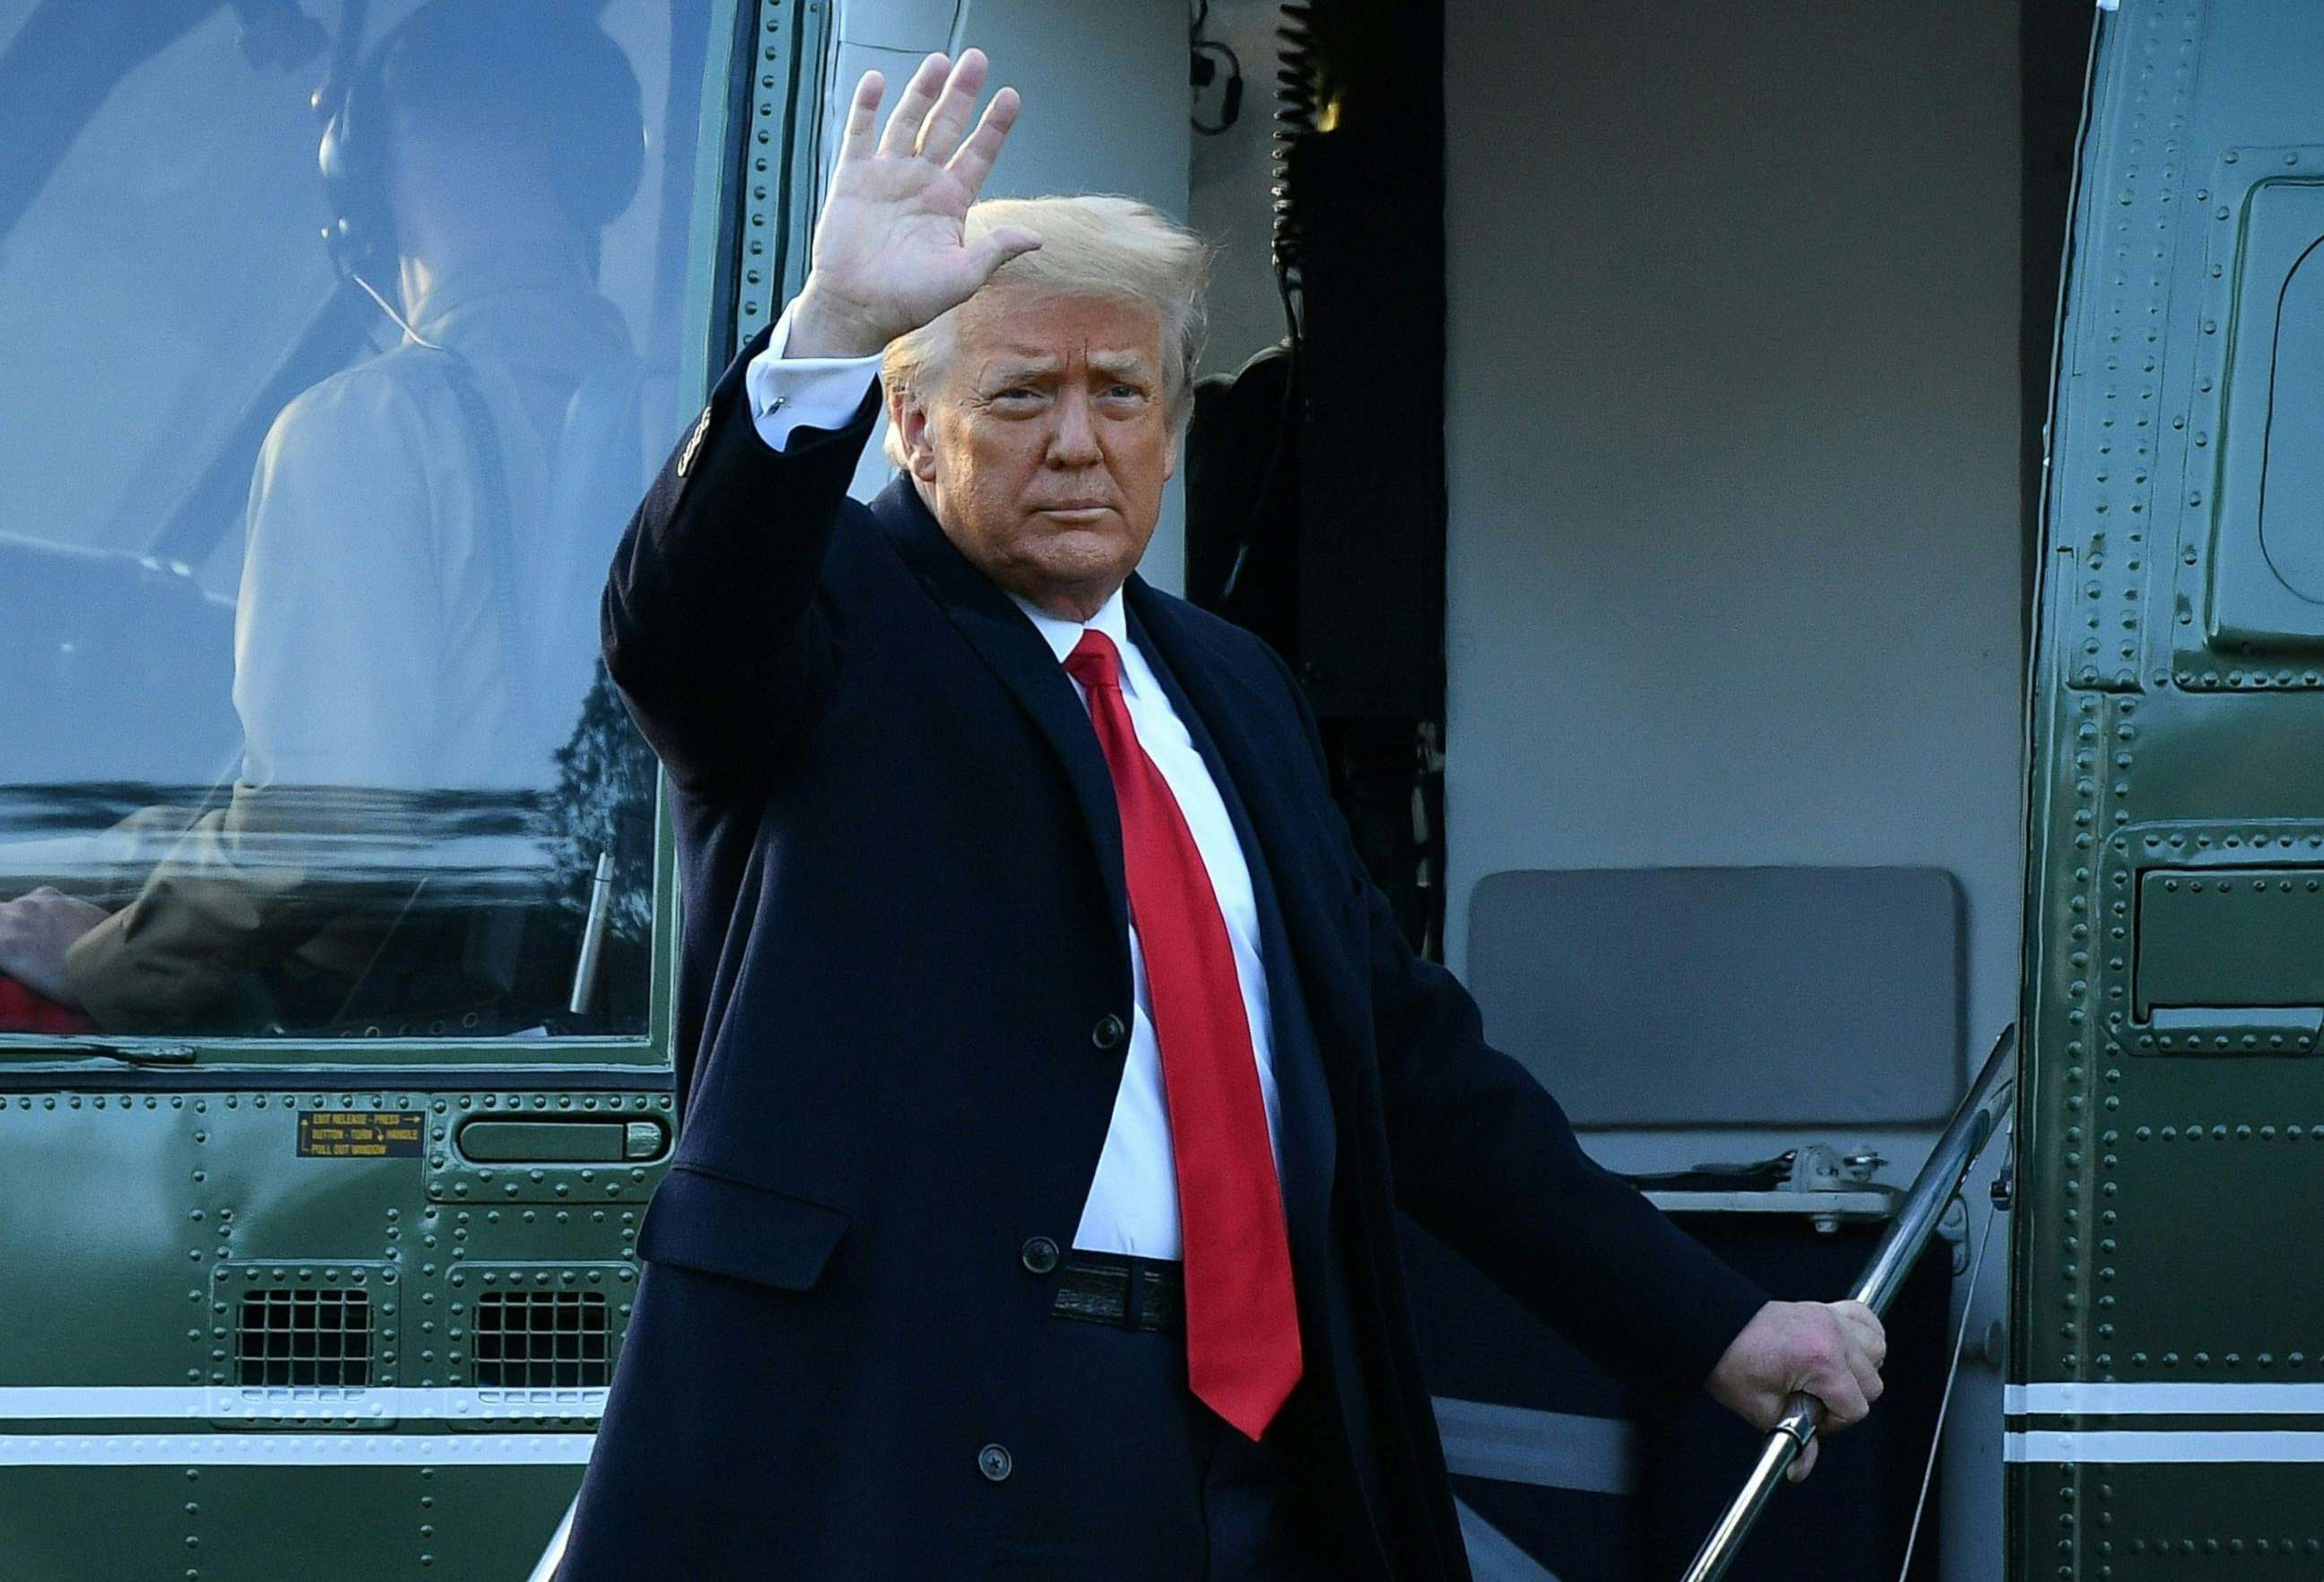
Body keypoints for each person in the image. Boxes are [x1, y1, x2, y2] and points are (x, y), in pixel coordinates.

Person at [568, 50, 1887, 1580]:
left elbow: (1412, 1065)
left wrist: (1713, 1317)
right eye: (1020, 394)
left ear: (1175, 426)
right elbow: (682, 621)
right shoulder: (837, 617)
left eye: (1119, 392)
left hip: (1243, 1433)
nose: (1078, 440)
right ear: (913, 430)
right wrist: (828, 334)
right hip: (921, 1432)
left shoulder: (1229, 685)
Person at [0, 2, 642, 1033]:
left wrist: (104, 960)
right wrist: (126, 856)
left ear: (366, 158)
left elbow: (329, 822)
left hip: (377, 1017)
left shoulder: (369, 426)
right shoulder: (662, 424)